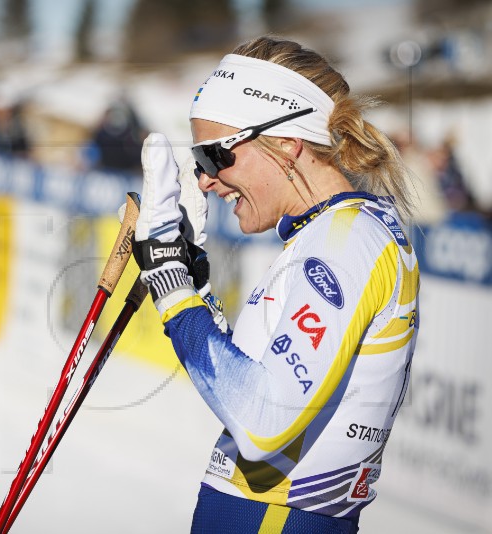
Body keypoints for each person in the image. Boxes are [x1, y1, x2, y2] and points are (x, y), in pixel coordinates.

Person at [132, 36, 419, 533]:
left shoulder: (347, 242)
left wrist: (170, 284)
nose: (204, 179)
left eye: (216, 156)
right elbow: (256, 385)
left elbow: (267, 421)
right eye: (199, 162)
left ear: (288, 141)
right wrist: (190, 286)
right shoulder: (328, 236)